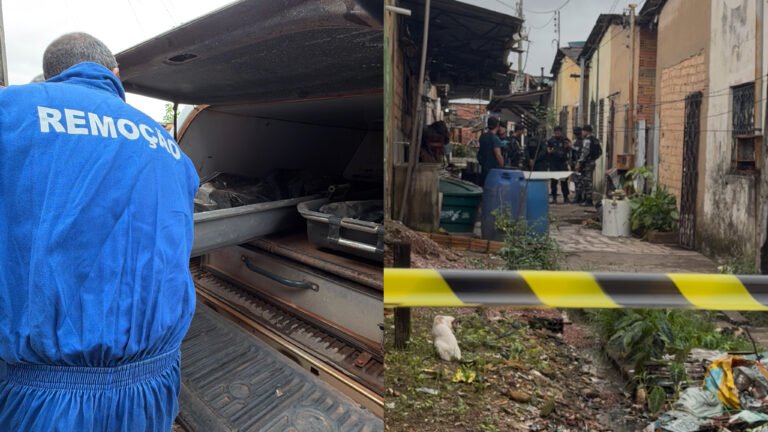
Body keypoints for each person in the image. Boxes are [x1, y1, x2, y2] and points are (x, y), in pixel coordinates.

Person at [0, 33, 199, 431]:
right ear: (115, 74)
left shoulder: (11, 112)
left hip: (42, 399)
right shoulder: (169, 145)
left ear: (52, 75)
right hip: (154, 388)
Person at [576, 125, 602, 207]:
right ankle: (586, 199)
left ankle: (588, 200)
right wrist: (593, 158)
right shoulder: (596, 140)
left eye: (583, 131)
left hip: (587, 163)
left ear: (587, 131)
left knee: (587, 181)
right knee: (588, 180)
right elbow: (600, 152)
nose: (582, 133)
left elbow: (584, 152)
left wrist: (579, 162)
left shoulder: (587, 140)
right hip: (592, 162)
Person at [477, 117, 505, 185]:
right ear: (497, 126)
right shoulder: (495, 139)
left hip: (483, 169)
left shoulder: (482, 136)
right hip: (493, 171)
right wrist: (503, 167)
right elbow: (498, 155)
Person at [546, 126, 570, 203]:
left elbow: (569, 149)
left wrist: (567, 147)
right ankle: (554, 197)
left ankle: (566, 197)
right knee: (554, 181)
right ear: (554, 132)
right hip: (554, 163)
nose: (558, 133)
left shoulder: (565, 140)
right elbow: (548, 150)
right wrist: (549, 152)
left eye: (559, 131)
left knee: (564, 181)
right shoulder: (551, 141)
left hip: (562, 163)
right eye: (556, 131)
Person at [571, 126, 584, 203]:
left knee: (579, 181)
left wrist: (571, 146)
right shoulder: (577, 141)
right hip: (576, 163)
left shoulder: (581, 142)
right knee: (577, 181)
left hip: (579, 163)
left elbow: (579, 152)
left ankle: (579, 197)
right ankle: (578, 197)